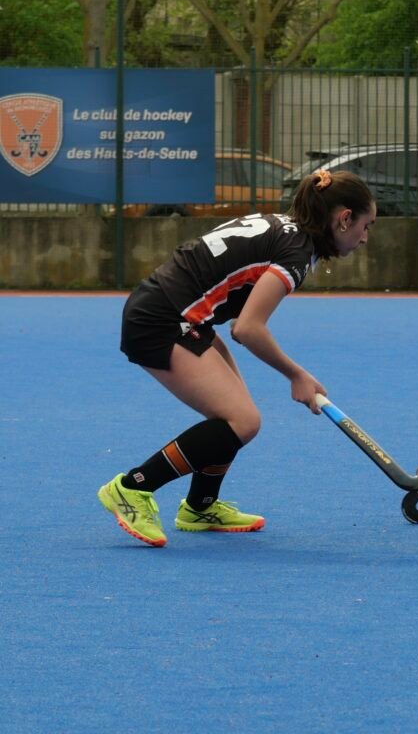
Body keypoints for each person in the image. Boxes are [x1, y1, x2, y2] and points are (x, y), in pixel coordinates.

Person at [98, 169, 377, 547]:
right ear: (344, 218)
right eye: (365, 225)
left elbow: (236, 317)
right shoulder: (296, 252)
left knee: (235, 412)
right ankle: (133, 488)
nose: (365, 237)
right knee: (243, 420)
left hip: (179, 313)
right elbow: (247, 329)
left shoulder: (285, 229)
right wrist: (296, 375)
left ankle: (199, 506)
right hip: (161, 320)